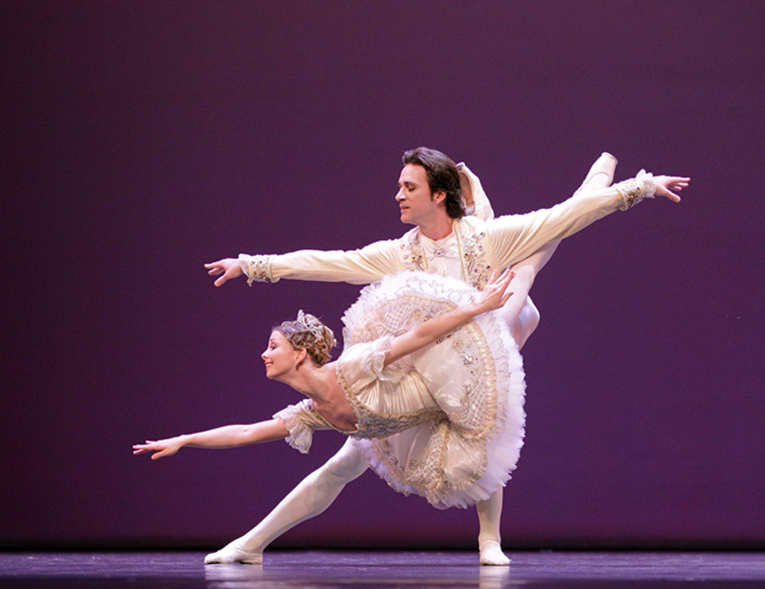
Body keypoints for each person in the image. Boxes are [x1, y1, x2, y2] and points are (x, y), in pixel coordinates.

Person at [202, 148, 690, 565]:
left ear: (438, 194)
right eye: (399, 186)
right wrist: (253, 265)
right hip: (420, 372)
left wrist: (641, 187)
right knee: (346, 461)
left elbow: (564, 218)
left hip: (487, 339)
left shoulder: (484, 239)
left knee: (534, 258)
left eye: (408, 187)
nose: (397, 195)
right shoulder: (399, 252)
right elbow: (330, 262)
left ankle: (489, 538)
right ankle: (251, 543)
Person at [135, 269, 525, 559]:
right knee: (342, 470)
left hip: (449, 380)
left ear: (300, 354)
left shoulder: (352, 366)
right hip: (421, 424)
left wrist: (479, 306)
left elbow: (419, 337)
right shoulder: (313, 413)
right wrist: (185, 440)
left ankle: (534, 253)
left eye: (273, 346)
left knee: (514, 310)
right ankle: (249, 546)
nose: (264, 354)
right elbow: (244, 432)